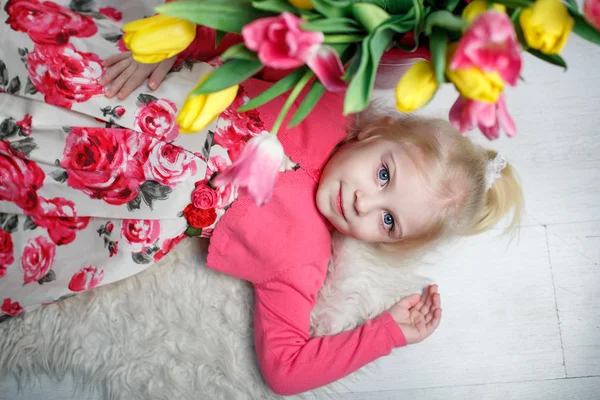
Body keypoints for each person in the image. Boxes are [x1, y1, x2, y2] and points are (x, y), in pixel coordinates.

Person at [0, 1, 522, 395]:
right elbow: (244, 42)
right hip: (143, 100)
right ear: (375, 131)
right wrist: (175, 48)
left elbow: (286, 369)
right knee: (45, 62)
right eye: (383, 175)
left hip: (125, 196)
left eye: (388, 222)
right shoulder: (322, 94)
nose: (364, 204)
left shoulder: (303, 260)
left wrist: (387, 332)